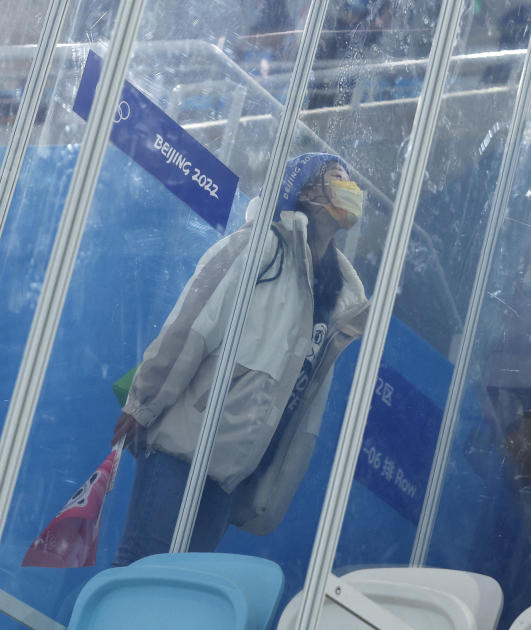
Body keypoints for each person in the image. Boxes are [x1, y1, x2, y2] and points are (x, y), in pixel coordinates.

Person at [110, 153, 368, 565]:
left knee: (179, 593)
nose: (350, 191)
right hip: (183, 447)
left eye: (351, 182)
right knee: (141, 564)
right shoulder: (258, 246)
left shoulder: (340, 300)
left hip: (232, 475)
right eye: (337, 179)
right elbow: (189, 328)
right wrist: (142, 403)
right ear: (303, 191)